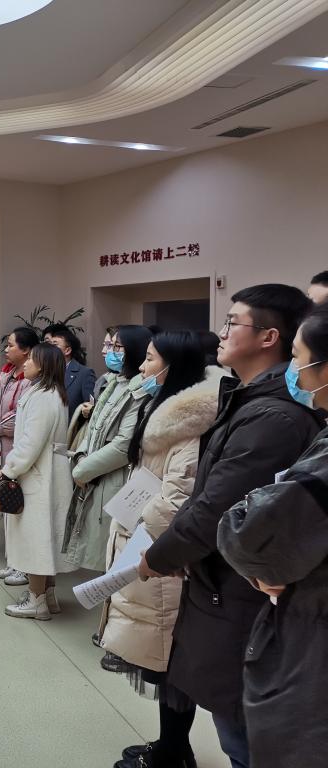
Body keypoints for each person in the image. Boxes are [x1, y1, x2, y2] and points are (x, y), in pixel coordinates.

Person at [138, 284, 323, 768]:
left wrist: (162, 555)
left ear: (269, 337)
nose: (220, 333)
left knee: (243, 733)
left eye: (232, 322)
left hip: (239, 590)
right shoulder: (245, 399)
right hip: (221, 582)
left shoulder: (274, 417)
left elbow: (217, 506)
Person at [98, 332, 221, 768]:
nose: (142, 367)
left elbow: (176, 498)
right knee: (162, 654)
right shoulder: (162, 410)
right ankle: (172, 746)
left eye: (150, 359)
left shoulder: (187, 426)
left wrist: (139, 528)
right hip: (147, 542)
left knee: (169, 655)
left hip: (159, 550)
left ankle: (173, 751)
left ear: (174, 366)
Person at [217, 302, 328, 768]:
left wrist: (268, 561)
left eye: (299, 358)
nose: (295, 372)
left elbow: (245, 530)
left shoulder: (279, 420)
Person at [0, 342, 74, 620]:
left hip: (39, 475)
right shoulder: (53, 393)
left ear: (43, 366)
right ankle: (47, 596)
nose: (25, 363)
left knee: (36, 539)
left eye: (31, 360)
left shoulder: (41, 397)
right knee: (47, 536)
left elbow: (30, 443)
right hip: (49, 473)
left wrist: (9, 469)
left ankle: (36, 600)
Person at [64, 325, 152, 574]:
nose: (110, 351)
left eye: (117, 346)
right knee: (101, 551)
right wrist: (81, 457)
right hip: (94, 473)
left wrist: (83, 470)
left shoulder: (140, 390)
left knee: (113, 555)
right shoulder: (113, 383)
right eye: (110, 345)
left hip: (114, 478)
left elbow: (123, 445)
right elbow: (93, 428)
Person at [0, 328, 38, 583]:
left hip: (15, 450)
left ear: (27, 351)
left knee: (18, 508)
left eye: (11, 345)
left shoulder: (30, 380)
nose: (6, 349)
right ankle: (13, 560)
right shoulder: (5, 374)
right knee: (5, 507)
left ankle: (23, 565)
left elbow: (20, 415)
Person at [44, 324, 96, 419]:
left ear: (67, 350)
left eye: (55, 345)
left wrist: (88, 410)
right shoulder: (45, 371)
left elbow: (90, 406)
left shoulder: (84, 373)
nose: (50, 348)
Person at [94, 327, 119, 399]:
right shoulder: (103, 378)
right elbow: (93, 401)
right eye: (105, 345)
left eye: (110, 345)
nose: (103, 351)